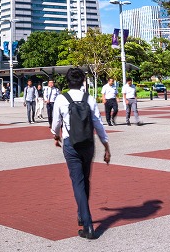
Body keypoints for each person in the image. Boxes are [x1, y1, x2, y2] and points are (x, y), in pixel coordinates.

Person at [50, 67, 110, 240]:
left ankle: (88, 224)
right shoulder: (89, 99)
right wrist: (106, 146)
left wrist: (55, 135)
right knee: (86, 179)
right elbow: (98, 123)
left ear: (67, 82)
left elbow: (55, 124)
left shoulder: (61, 99)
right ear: (83, 81)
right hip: (88, 144)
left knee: (77, 182)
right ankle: (81, 214)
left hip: (71, 144)